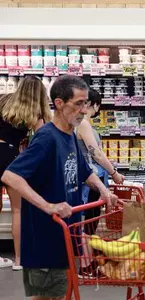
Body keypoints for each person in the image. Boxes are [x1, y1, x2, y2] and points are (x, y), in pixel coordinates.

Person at [1, 75, 118, 300]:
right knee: (47, 296)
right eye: (78, 104)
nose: (84, 110)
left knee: (61, 293)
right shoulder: (47, 138)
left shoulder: (70, 135)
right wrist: (48, 206)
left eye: (85, 103)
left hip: (66, 233)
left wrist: (104, 190)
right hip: (45, 238)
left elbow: (84, 171)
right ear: (59, 103)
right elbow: (11, 175)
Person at [0, 76, 51, 270]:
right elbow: (42, 138)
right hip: (10, 158)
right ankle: (20, 260)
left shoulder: (4, 100)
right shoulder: (36, 112)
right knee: (17, 210)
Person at [75, 88, 125, 275]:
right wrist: (114, 172)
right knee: (89, 222)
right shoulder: (84, 124)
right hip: (90, 181)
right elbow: (95, 153)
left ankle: (89, 263)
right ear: (93, 105)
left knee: (89, 222)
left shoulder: (78, 123)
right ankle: (86, 266)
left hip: (90, 179)